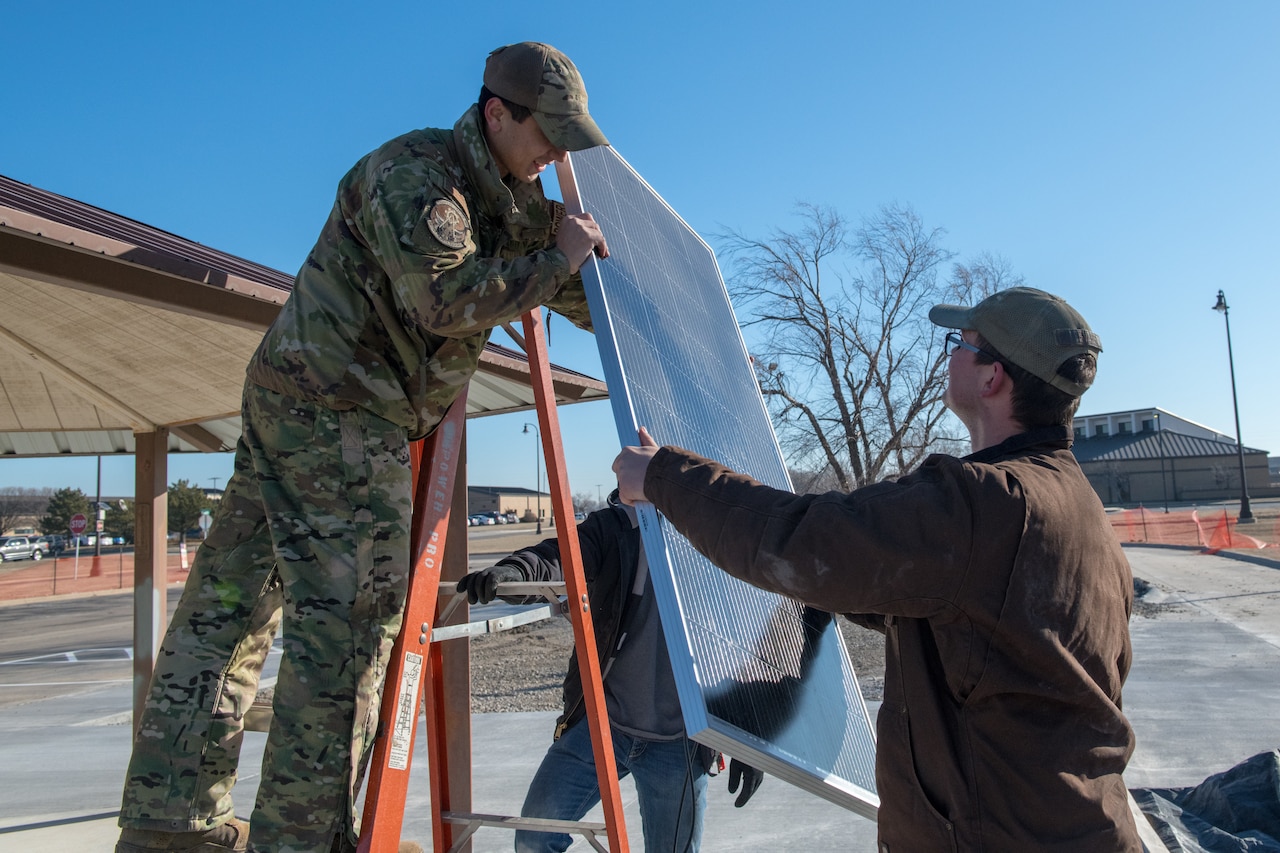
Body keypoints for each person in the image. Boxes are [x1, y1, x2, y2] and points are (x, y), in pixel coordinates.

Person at [115, 42, 610, 853]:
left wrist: (628, 297)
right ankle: (302, 839)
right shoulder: (418, 178)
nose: (557, 152)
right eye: (547, 132)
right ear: (496, 114)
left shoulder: (509, 198)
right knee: (348, 626)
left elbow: (567, 281)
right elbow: (447, 298)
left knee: (230, 611)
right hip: (336, 412)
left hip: (304, 402)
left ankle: (170, 824)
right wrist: (557, 258)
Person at [611, 287, 1143, 851]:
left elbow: (803, 541)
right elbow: (959, 623)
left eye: (960, 344)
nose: (950, 356)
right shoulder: (1082, 513)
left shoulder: (983, 503)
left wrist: (664, 477)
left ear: (993, 378)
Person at [456, 490, 763, 853]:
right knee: (534, 837)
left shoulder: (724, 535)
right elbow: (559, 557)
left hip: (679, 743)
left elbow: (756, 636)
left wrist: (749, 733)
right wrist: (513, 573)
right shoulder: (617, 528)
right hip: (604, 726)